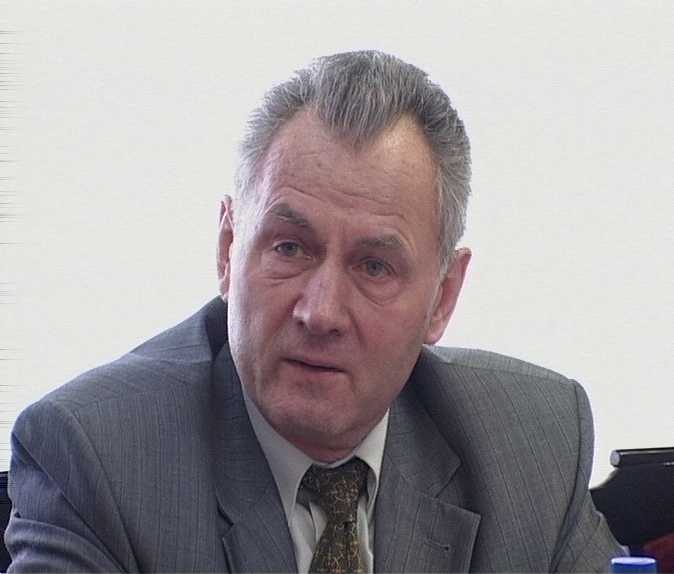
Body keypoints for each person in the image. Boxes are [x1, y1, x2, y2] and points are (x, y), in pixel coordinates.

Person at [5, 51, 623, 572]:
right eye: (290, 248)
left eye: (374, 266)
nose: (321, 312)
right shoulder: (97, 457)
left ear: (442, 298)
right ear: (228, 250)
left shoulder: (533, 445)